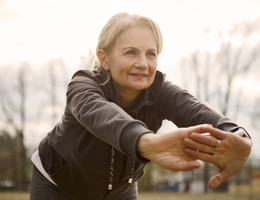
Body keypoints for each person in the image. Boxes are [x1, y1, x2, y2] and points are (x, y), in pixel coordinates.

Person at [30, 12, 252, 200]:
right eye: (130, 52)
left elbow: (194, 109)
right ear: (104, 58)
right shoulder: (83, 85)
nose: (143, 64)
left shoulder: (160, 91)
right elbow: (103, 116)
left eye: (151, 54)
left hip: (120, 189)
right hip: (58, 183)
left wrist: (238, 136)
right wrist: (147, 142)